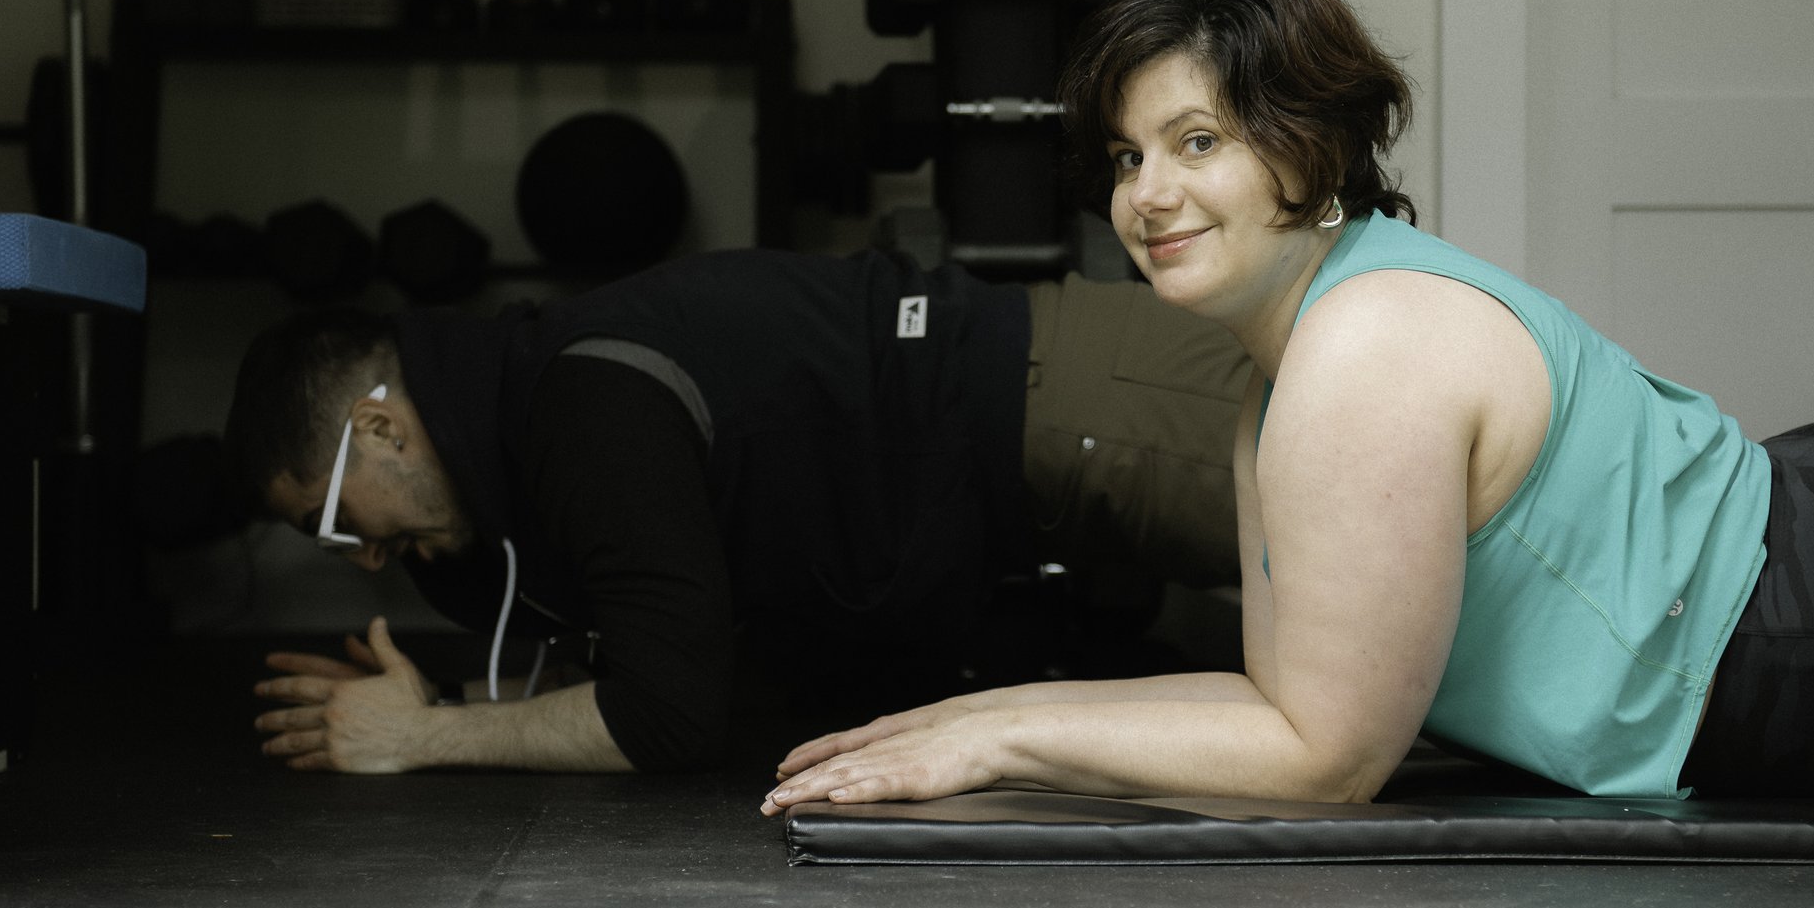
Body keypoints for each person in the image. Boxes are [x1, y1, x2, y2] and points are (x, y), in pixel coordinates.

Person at [763, 0, 1814, 813]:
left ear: (1307, 150)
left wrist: (1005, 739)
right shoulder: (1280, 383)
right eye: (1125, 155)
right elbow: (1293, 704)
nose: (1144, 194)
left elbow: (1326, 761)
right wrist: (993, 708)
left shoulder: (1363, 350)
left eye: (1196, 143)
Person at [226, 247, 1248, 774]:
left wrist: (422, 737)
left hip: (1082, 404)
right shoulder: (526, 430)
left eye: (333, 519)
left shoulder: (581, 405)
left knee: (1354, 627)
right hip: (1041, 462)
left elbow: (666, 714)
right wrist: (438, 704)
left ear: (380, 425)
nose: (364, 558)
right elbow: (662, 653)